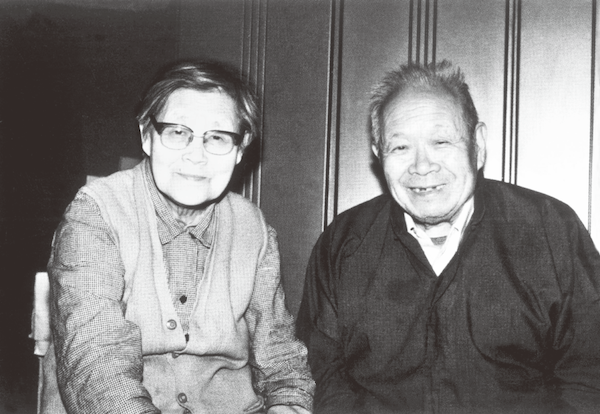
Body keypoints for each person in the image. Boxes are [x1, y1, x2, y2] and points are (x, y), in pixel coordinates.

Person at [296, 60, 600, 413]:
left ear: (477, 144)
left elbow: (588, 375)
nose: (422, 166)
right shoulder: (344, 243)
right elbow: (323, 372)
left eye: (440, 141)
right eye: (400, 148)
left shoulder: (549, 229)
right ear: (379, 154)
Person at [44, 60, 314, 414]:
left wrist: (289, 406)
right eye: (176, 132)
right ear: (147, 135)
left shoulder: (254, 228)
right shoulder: (95, 213)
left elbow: (279, 355)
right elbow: (96, 362)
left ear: (240, 148)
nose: (196, 155)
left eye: (217, 137)